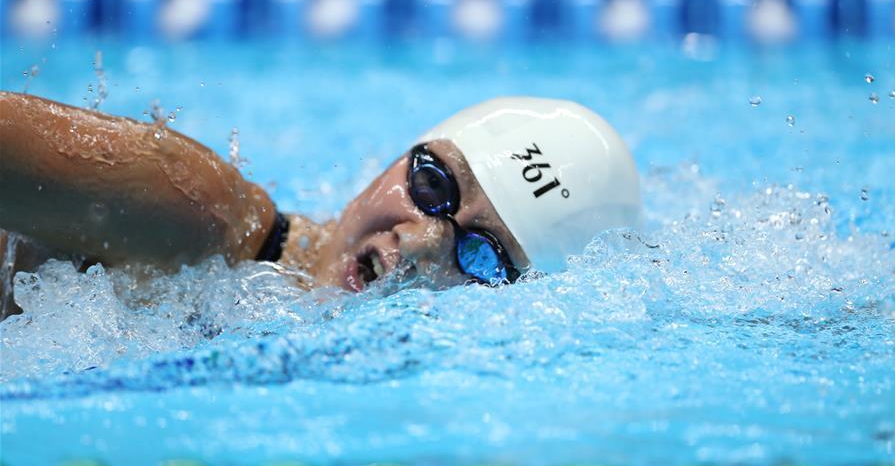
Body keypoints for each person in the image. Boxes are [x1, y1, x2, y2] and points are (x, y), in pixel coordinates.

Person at [0, 92, 641, 318]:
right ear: (403, 153)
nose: (416, 245)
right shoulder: (197, 210)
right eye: (433, 187)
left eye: (483, 257)